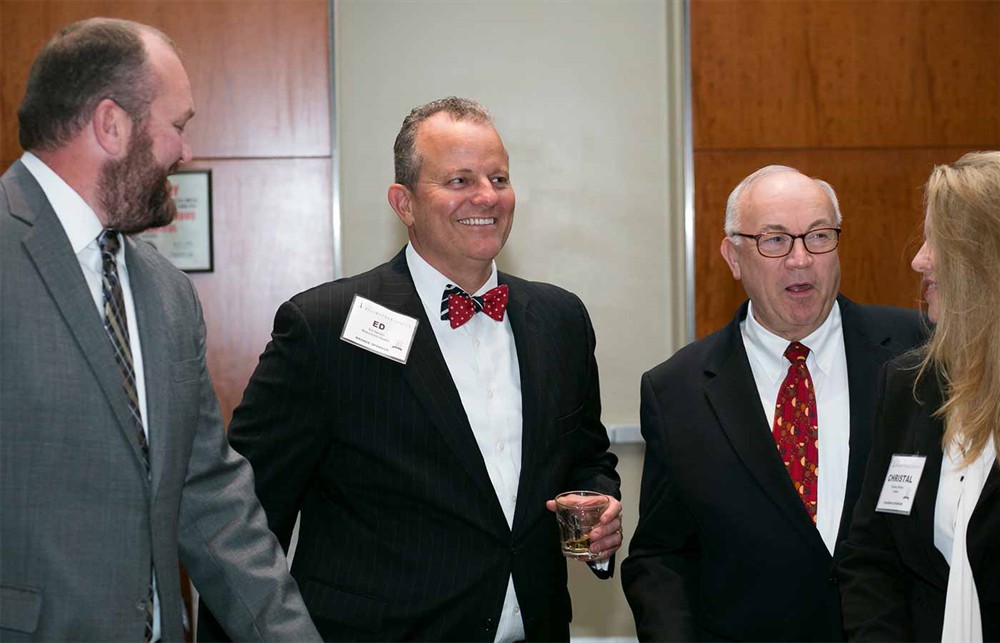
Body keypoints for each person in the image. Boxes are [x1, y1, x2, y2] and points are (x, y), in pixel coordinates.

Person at [197, 97, 622, 641]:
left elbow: (586, 456)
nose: (487, 197)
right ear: (404, 203)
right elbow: (246, 516)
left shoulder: (560, 319)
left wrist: (597, 509)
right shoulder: (325, 327)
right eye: (459, 180)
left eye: (498, 177)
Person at [0, 18, 319, 641]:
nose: (186, 151)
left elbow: (211, 497)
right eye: (178, 125)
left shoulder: (165, 290)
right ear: (111, 124)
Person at [621, 165, 926, 641]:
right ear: (733, 256)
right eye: (776, 240)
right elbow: (663, 557)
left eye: (819, 236)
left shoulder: (919, 353)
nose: (801, 259)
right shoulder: (677, 390)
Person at [838, 151, 999, 641]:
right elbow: (872, 554)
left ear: (985, 259)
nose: (918, 259)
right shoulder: (912, 383)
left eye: (937, 242)